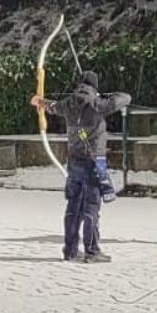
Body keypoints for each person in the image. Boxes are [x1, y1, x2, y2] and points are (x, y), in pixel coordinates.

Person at [30, 70, 131, 263]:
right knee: (91, 206)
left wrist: (40, 102)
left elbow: (51, 106)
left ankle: (70, 250)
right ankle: (92, 251)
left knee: (73, 206)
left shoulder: (68, 103)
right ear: (94, 87)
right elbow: (126, 97)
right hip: (94, 162)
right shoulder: (97, 104)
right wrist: (105, 95)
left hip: (74, 161)